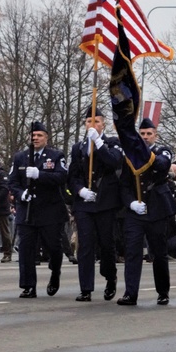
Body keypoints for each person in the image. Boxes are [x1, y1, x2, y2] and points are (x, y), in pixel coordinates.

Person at [117, 117, 175, 306]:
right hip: (136, 210)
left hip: (156, 208)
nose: (145, 137)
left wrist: (142, 153)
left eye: (149, 134)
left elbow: (162, 165)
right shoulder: (129, 156)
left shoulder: (161, 151)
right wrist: (131, 203)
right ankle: (130, 293)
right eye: (141, 134)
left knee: (158, 253)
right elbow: (124, 184)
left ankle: (163, 291)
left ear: (155, 135)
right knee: (132, 251)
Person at [8, 121, 69, 298]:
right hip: (27, 211)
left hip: (50, 211)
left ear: (46, 138)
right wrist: (21, 194)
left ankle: (55, 273)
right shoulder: (20, 157)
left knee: (54, 247)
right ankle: (28, 286)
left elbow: (62, 176)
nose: (35, 138)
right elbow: (12, 181)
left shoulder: (56, 156)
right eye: (33, 136)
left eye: (39, 135)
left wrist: (39, 175)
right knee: (26, 248)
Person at [68, 106, 123, 301]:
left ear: (103, 124)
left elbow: (113, 162)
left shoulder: (113, 143)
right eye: (89, 122)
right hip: (84, 204)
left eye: (97, 121)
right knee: (85, 246)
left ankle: (110, 277)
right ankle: (86, 288)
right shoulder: (77, 148)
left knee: (107, 244)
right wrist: (80, 190)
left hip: (105, 203)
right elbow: (72, 175)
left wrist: (99, 143)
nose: (93, 125)